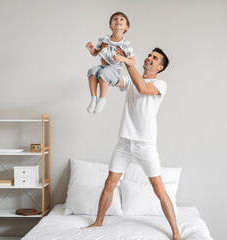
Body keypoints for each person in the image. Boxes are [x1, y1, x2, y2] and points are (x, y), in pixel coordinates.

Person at [86, 47, 182, 240]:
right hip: (124, 142)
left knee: (158, 189)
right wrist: (109, 63)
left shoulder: (160, 84)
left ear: (160, 67)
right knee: (109, 183)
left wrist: (129, 63)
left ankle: (176, 233)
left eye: (155, 58)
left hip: (145, 144)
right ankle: (98, 222)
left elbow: (143, 88)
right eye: (149, 55)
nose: (149, 58)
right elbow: (114, 80)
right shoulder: (130, 80)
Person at [85, 11, 135, 114]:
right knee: (92, 71)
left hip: (115, 70)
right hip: (102, 66)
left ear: (126, 27)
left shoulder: (126, 44)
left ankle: (102, 99)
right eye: (115, 19)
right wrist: (91, 49)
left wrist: (123, 59)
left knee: (104, 73)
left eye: (121, 19)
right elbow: (96, 53)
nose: (118, 20)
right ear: (110, 26)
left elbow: (132, 62)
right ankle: (93, 98)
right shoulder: (103, 39)